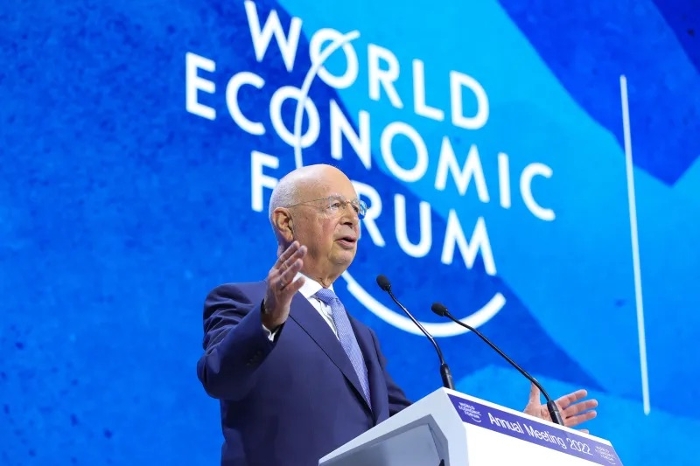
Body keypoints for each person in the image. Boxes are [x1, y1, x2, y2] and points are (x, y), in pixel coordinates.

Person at [196, 164, 598, 466]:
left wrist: (513, 428)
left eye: (358, 208)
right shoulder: (242, 301)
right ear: (285, 221)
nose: (352, 218)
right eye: (335, 205)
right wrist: (270, 315)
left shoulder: (362, 336)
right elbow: (220, 375)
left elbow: (416, 427)